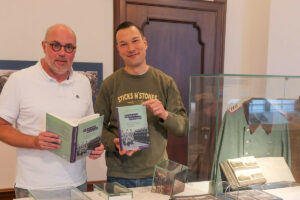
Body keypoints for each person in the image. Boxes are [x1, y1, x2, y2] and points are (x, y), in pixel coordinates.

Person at [0, 24, 104, 198]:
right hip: (33, 186)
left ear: (75, 50)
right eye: (56, 45)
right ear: (44, 46)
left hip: (77, 184)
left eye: (69, 47)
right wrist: (34, 142)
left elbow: (88, 128)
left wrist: (93, 147)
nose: (62, 52)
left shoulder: (84, 83)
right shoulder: (19, 80)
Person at [94, 21, 188, 188]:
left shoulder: (165, 82)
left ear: (145, 43)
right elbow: (96, 127)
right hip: (119, 175)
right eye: (123, 44)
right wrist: (114, 142)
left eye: (135, 41)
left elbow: (182, 128)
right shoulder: (109, 84)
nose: (131, 48)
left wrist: (164, 114)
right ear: (118, 49)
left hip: (158, 173)